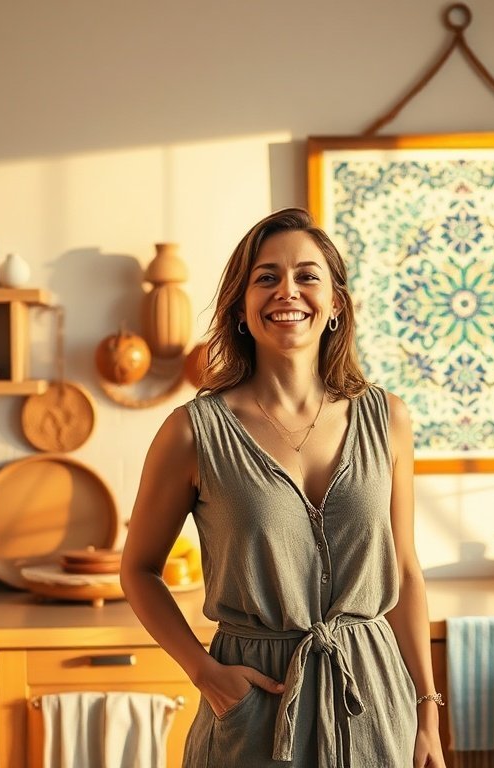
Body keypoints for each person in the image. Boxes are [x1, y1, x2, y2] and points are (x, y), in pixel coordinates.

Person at [120, 207, 447, 768]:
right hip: (255, 709)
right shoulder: (192, 432)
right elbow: (138, 569)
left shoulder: (387, 419)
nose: (286, 291)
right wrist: (205, 673)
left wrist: (428, 714)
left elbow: (407, 572)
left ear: (337, 304)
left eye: (307, 276)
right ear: (242, 307)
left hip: (375, 703)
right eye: (265, 277)